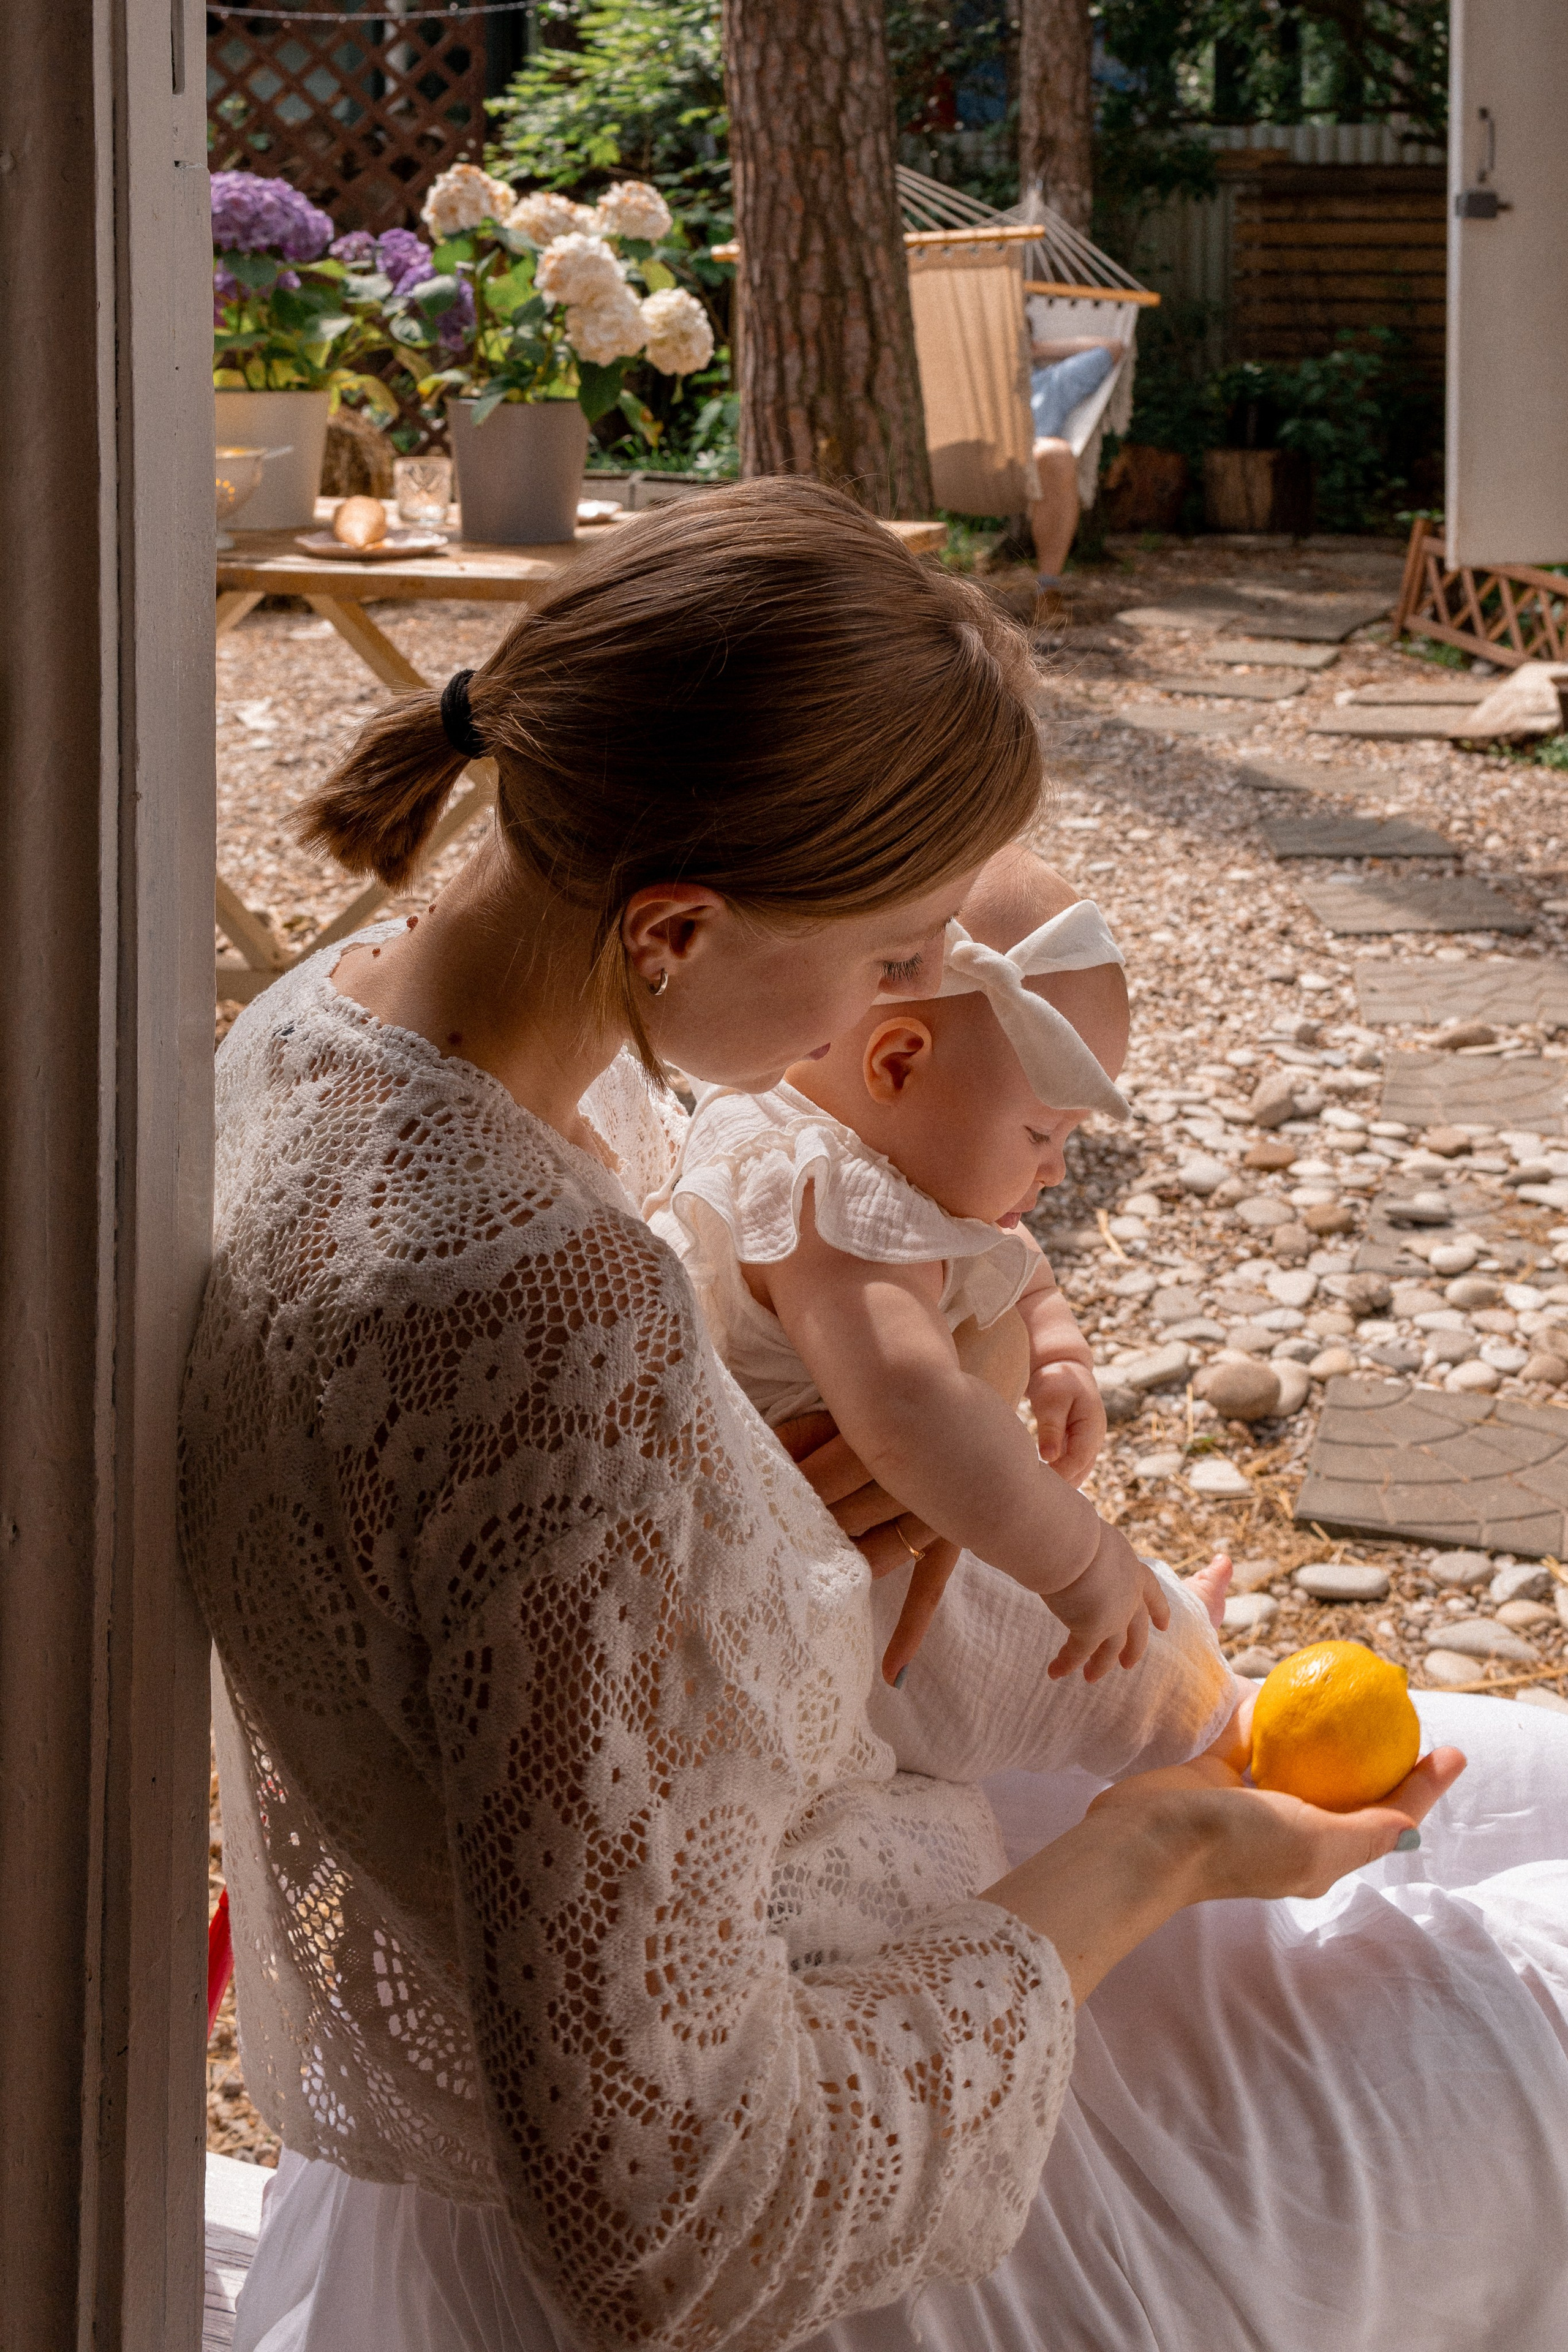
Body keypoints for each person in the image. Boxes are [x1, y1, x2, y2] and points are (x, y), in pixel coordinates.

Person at [180, 480, 1568, 2352]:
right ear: (674, 925)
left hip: (856, 1875)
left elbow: (545, 1639)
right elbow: (673, 2218)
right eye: (895, 950)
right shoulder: (534, 1303)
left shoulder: (314, 1039)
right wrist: (1157, 1844)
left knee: (1518, 1777)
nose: (910, 1001)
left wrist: (794, 1543)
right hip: (870, 2180)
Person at [649, 848, 1182, 1688]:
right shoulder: (828, 1209)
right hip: (817, 1576)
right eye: (1043, 1134)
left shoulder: (835, 1138)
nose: (1057, 1171)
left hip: (907, 1516)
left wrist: (1052, 1335)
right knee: (1120, 1667)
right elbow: (912, 1405)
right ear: (896, 1062)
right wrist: (1081, 1561)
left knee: (1137, 1629)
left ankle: (1188, 1657)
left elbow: (987, 1239)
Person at [1027, 331, 1125, 592]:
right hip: (968, 457)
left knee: (1057, 454)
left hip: (1027, 462)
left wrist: (1037, 348)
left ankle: (1048, 588)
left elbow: (1112, 348)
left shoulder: (1051, 381)